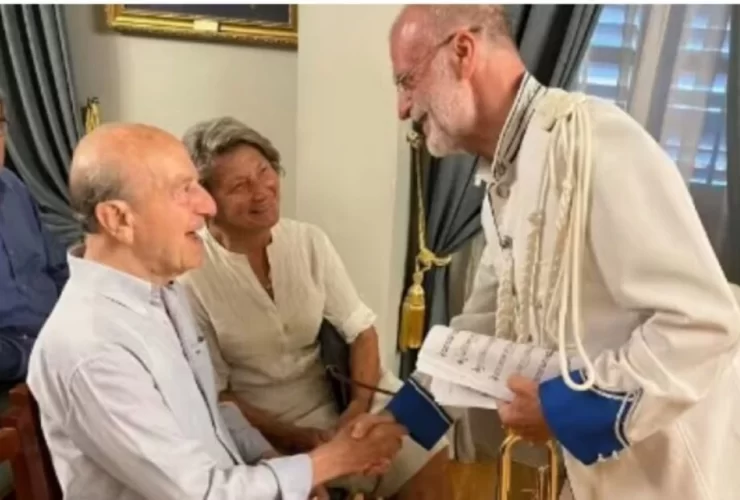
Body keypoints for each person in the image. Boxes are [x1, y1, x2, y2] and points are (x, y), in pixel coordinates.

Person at [389, 5, 740, 500]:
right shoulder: (504, 177)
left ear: (462, 52)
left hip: (670, 473)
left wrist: (562, 411)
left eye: (407, 80)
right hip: (597, 469)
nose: (403, 108)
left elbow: (704, 323)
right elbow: (488, 322)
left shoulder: (593, 143)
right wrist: (400, 422)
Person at [26, 123, 407, 500]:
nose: (207, 206)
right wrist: (330, 460)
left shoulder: (163, 294)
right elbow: (202, 493)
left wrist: (277, 463)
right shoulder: (92, 350)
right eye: (183, 191)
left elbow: (212, 413)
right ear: (119, 219)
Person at [179, 116, 452, 499]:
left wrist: (357, 409)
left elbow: (362, 331)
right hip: (265, 423)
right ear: (208, 202)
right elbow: (218, 394)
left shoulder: (308, 241)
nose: (261, 191)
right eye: (239, 186)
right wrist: (297, 437)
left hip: (342, 395)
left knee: (428, 445)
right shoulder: (193, 275)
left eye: (264, 171)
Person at [0, 92, 68, 383]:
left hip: (60, 346)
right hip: (15, 377)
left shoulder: (13, 187)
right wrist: (38, 354)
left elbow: (59, 269)